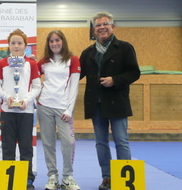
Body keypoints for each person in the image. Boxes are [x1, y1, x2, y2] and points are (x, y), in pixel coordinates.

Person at [79, 11, 140, 190]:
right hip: (95, 104)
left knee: (121, 141)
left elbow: (134, 73)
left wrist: (115, 80)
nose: (102, 27)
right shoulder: (87, 52)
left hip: (117, 102)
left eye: (105, 24)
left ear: (112, 27)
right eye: (98, 25)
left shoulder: (125, 47)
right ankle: (107, 178)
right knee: (101, 143)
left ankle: (124, 178)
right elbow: (76, 73)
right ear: (93, 29)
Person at [0, 29, 41, 190]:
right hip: (7, 111)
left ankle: (28, 179)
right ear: (9, 45)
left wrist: (26, 100)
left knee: (26, 146)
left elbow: (37, 87)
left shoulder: (31, 63)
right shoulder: (2, 63)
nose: (16, 46)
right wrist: (7, 98)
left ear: (25, 45)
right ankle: (9, 178)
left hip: (25, 112)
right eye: (13, 43)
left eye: (20, 43)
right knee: (8, 146)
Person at [36, 30, 81, 190]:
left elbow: (74, 85)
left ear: (63, 41)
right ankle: (52, 176)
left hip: (64, 109)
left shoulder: (73, 60)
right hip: (44, 106)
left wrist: (69, 109)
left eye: (57, 40)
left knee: (69, 143)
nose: (54, 44)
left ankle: (68, 177)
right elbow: (31, 77)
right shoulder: (43, 61)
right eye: (51, 41)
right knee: (48, 143)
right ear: (48, 44)